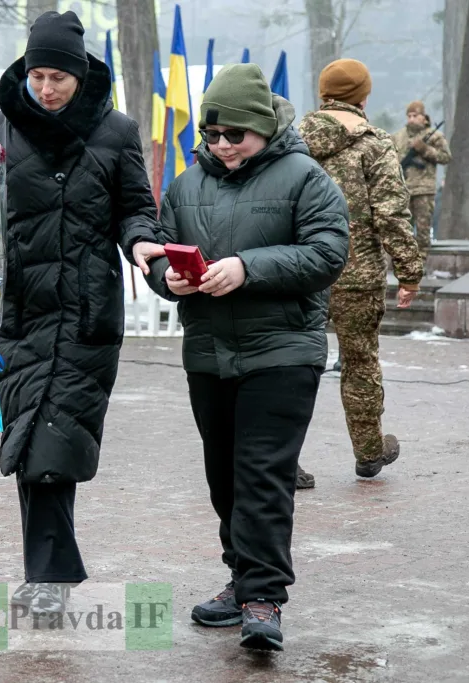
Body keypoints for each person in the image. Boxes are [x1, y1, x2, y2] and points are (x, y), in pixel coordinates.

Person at [145, 64, 348, 651]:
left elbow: (328, 252)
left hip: (282, 349)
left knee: (262, 472)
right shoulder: (185, 186)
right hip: (209, 353)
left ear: (262, 127)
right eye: (213, 135)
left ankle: (264, 597)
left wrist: (247, 268)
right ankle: (240, 578)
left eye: (236, 134)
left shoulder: (305, 176)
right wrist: (169, 278)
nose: (224, 146)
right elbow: (159, 251)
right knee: (223, 474)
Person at [0, 10, 163, 619]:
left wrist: (142, 243)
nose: (46, 88)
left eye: (58, 77)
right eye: (37, 75)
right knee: (28, 440)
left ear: (80, 76)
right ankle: (50, 571)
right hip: (19, 312)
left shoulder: (116, 131)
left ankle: (49, 575)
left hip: (85, 314)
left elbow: (136, 207)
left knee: (56, 438)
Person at [298, 59, 424, 482]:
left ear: (323, 94)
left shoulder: (291, 141)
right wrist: (409, 272)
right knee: (360, 363)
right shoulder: (375, 143)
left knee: (291, 364)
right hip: (357, 276)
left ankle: (280, 456)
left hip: (298, 273)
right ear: (363, 97)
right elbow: (390, 212)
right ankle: (369, 451)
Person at [392, 101, 451, 263]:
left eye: (415, 116)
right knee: (403, 229)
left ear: (424, 118)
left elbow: (446, 157)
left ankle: (422, 262)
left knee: (424, 230)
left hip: (424, 190)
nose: (411, 119)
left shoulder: (435, 136)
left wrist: (424, 149)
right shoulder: (398, 136)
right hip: (403, 189)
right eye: (409, 116)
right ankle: (405, 263)